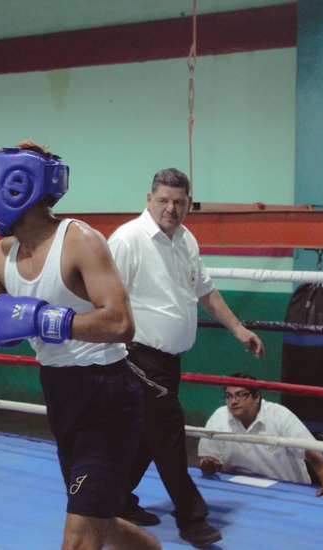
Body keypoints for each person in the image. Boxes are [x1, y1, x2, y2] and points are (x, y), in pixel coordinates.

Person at [0, 142, 160, 550]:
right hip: (61, 394)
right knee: (102, 524)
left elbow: (120, 322)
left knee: (80, 537)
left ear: (16, 189)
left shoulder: (80, 240)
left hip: (106, 397)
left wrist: (47, 321)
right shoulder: (0, 255)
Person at [107, 167, 264, 548]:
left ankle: (117, 502)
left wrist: (238, 329)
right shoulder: (127, 240)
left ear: (188, 204)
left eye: (179, 202)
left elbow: (206, 292)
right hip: (138, 356)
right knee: (169, 436)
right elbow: (105, 297)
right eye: (163, 200)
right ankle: (191, 516)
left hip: (168, 360)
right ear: (149, 199)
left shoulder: (186, 239)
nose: (170, 208)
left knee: (148, 436)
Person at [198, 373, 323, 501]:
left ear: (257, 397)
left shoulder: (279, 415)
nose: (233, 402)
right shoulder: (219, 417)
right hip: (238, 490)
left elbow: (311, 451)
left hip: (286, 492)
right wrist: (209, 464)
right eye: (228, 396)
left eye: (240, 395)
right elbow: (208, 458)